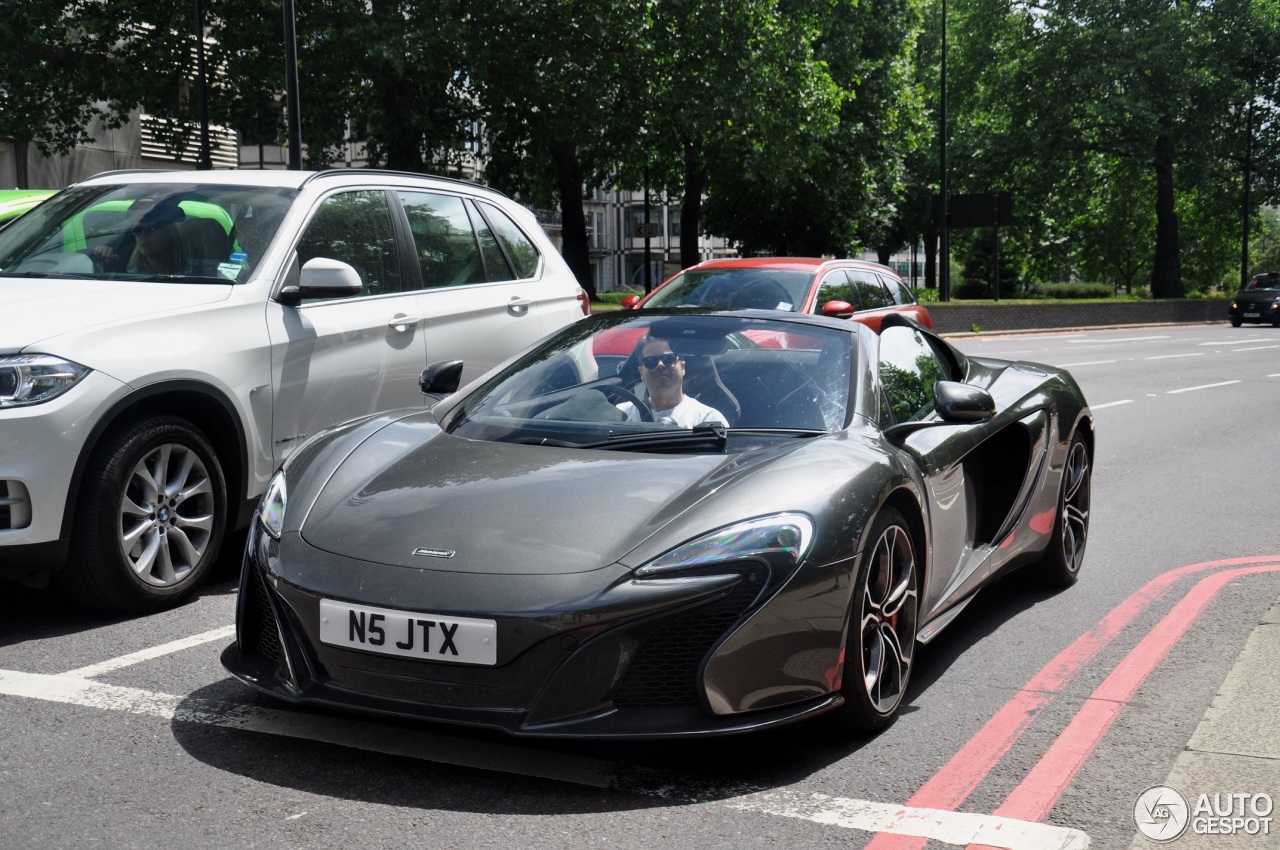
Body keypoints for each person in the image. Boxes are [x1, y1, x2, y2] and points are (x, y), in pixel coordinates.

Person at [617, 334, 728, 427]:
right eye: (650, 361)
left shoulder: (707, 419)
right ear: (641, 372)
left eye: (668, 359)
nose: (660, 365)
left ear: (683, 368)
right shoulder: (620, 415)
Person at [95, 200, 188, 274]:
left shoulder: (192, 272)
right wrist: (108, 269)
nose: (143, 236)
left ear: (169, 233)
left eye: (152, 229)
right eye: (138, 230)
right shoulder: (130, 276)